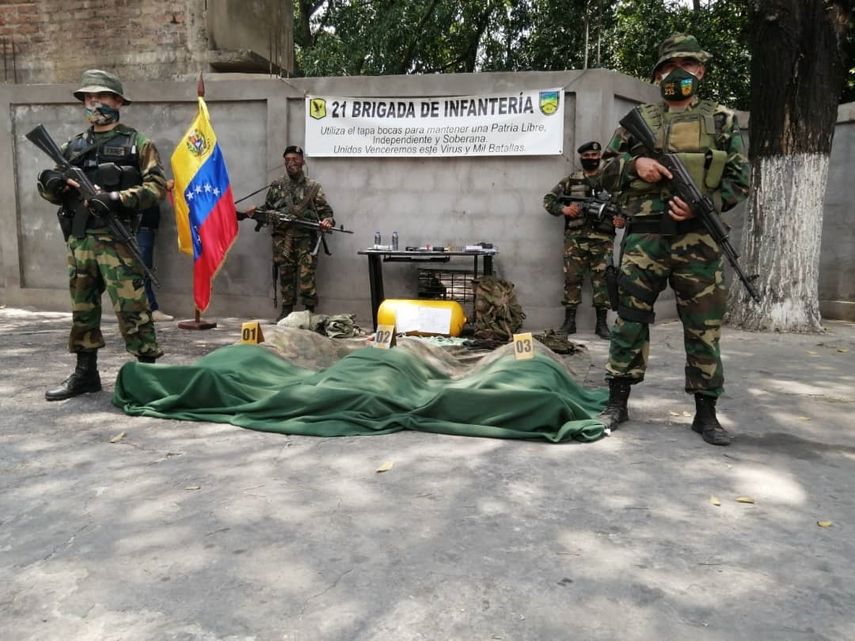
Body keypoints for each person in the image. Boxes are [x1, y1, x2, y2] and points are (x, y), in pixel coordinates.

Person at [597, 34, 750, 445]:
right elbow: (604, 170)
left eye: (686, 64)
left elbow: (739, 182)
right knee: (629, 321)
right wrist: (635, 164)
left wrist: (706, 205)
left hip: (697, 240)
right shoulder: (640, 119)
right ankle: (617, 402)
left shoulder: (721, 120)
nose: (676, 73)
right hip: (644, 239)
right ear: (657, 74)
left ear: (700, 70)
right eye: (667, 66)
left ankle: (706, 413)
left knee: (703, 326)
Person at [36, 69, 168, 401]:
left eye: (102, 96)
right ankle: (85, 374)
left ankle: (148, 373)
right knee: (83, 308)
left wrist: (113, 198)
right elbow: (50, 188)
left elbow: (155, 189)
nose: (94, 102)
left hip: (117, 240)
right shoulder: (72, 146)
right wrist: (51, 184)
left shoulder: (139, 143)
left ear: (119, 101)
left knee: (132, 307)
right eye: (88, 97)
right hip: (81, 239)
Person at [240, 145, 335, 321]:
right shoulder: (277, 186)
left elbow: (326, 212)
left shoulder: (313, 187)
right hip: (283, 240)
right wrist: (254, 212)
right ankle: (286, 310)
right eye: (288, 160)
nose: (291, 163)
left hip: (306, 239)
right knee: (285, 275)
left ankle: (309, 313)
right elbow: (267, 209)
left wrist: (327, 221)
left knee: (307, 276)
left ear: (302, 161)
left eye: (295, 159)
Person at [543, 141, 624, 339]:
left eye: (594, 155)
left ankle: (601, 324)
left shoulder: (610, 179)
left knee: (603, 281)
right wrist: (564, 209)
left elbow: (625, 204)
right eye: (586, 156)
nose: (590, 159)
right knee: (572, 280)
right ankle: (569, 323)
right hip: (575, 239)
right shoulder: (572, 180)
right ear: (581, 158)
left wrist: (621, 219)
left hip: (603, 239)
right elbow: (549, 200)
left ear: (599, 156)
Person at [136, 178, 174, 322]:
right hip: (133, 224)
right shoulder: (134, 165)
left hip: (144, 224)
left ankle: (150, 309)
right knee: (140, 270)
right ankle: (149, 309)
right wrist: (163, 186)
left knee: (144, 270)